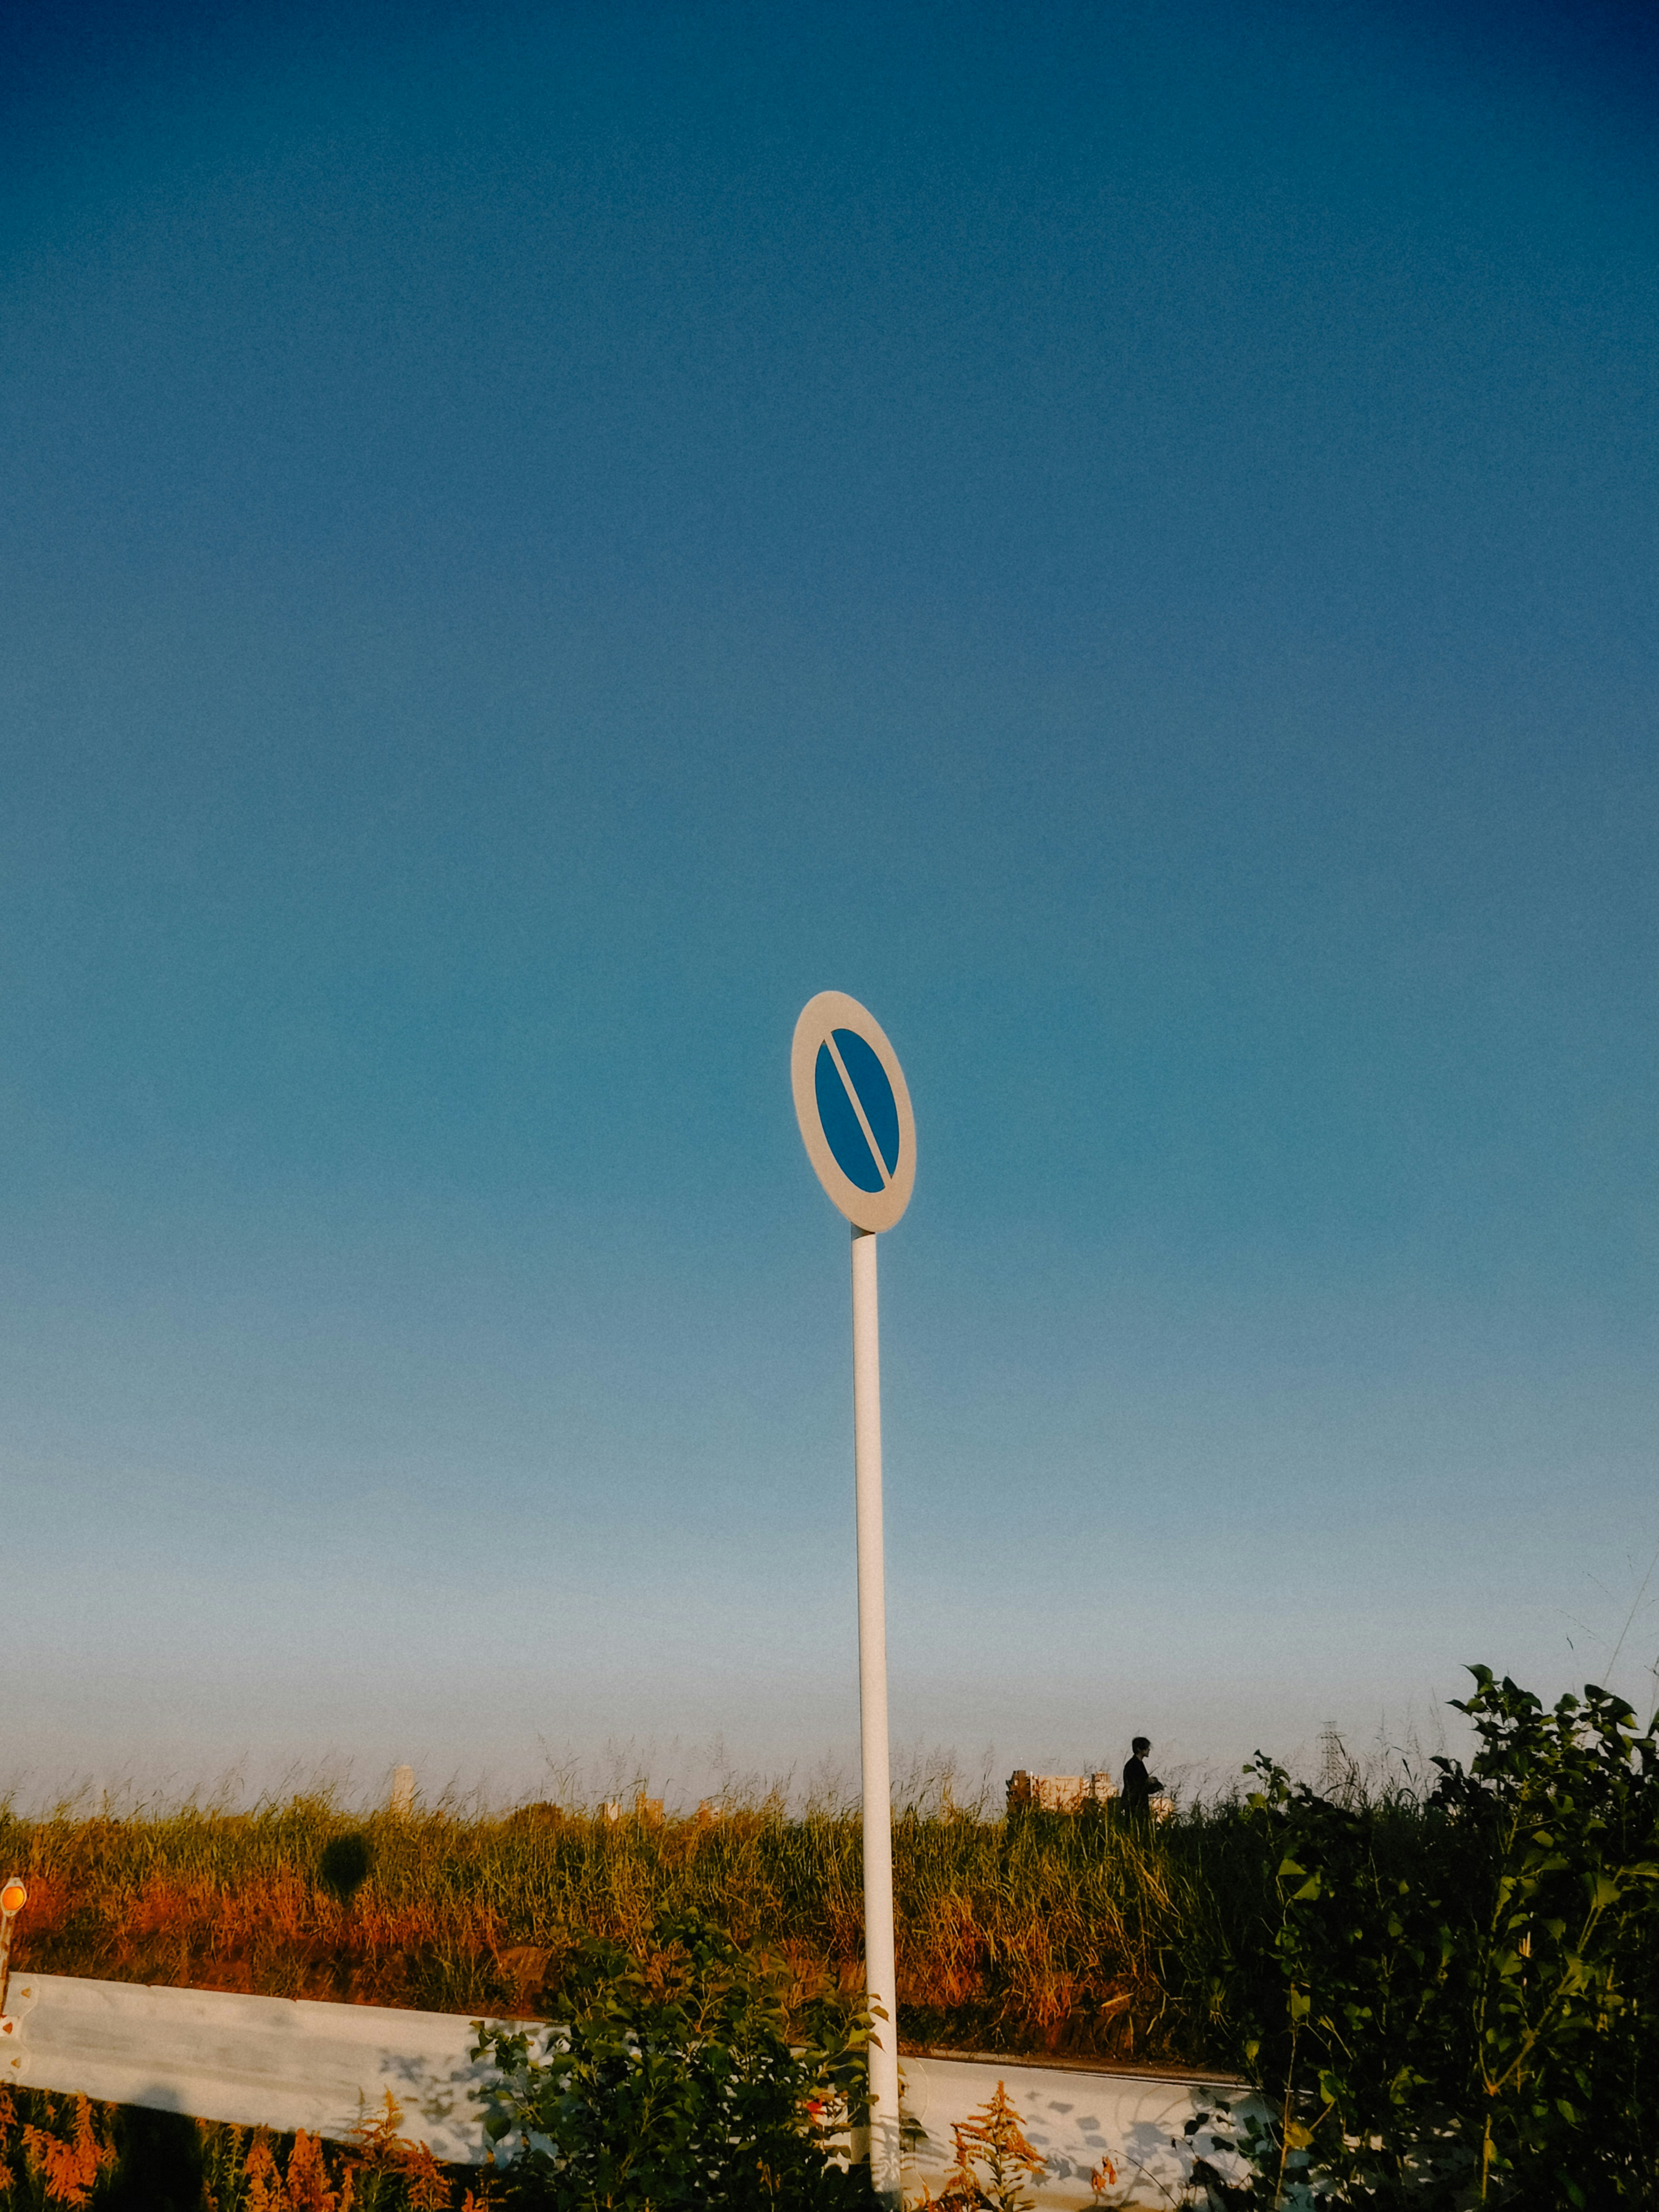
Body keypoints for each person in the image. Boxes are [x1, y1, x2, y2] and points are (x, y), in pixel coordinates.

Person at [1121, 1737, 1163, 1821]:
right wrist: (1148, 1782)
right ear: (1139, 1749)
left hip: (1137, 1803)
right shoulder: (1133, 1765)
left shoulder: (1137, 1764)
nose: (1149, 1750)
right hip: (1135, 1804)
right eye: (1146, 1747)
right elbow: (1135, 1785)